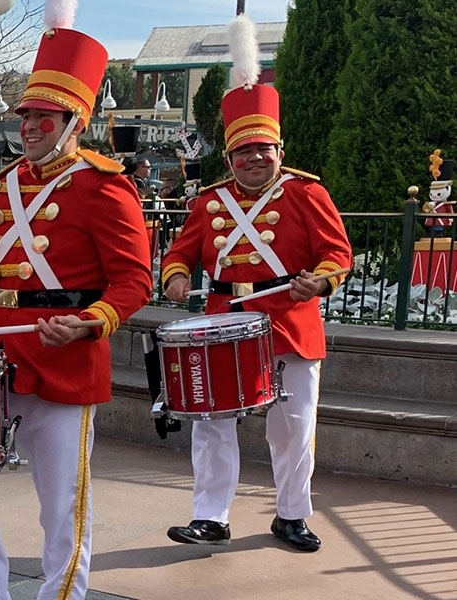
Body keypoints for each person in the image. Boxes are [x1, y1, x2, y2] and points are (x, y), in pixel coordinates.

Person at [0, 22, 153, 600]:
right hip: (0, 353)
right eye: (26, 116)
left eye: (44, 118)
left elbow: (133, 281)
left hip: (65, 359)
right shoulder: (6, 186)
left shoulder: (105, 188)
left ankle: (62, 595)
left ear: (73, 124)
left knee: (62, 503)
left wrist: (92, 321)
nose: (29, 126)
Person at [160, 14, 352, 554]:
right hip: (224, 323)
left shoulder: (307, 194)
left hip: (288, 322)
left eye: (263, 150)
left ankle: (290, 515)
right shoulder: (211, 202)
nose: (254, 159)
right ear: (229, 157)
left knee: (292, 429)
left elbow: (338, 253)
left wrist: (319, 281)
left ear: (280, 152)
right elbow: (180, 252)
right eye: (244, 151)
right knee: (212, 423)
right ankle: (210, 516)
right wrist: (175, 276)